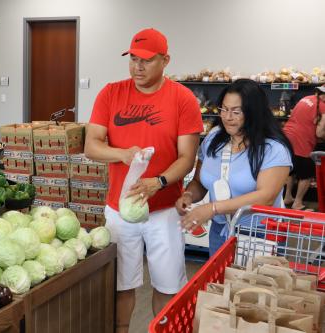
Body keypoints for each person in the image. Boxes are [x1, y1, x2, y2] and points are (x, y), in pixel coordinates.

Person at [84, 28, 203, 333]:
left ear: (166, 60)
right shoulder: (111, 93)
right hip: (120, 209)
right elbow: (91, 145)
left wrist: (158, 182)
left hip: (163, 210)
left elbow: (186, 158)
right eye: (133, 59)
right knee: (121, 284)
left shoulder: (183, 98)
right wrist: (122, 154)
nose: (137, 66)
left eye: (146, 61)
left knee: (167, 284)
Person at [176, 79, 293, 256]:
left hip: (260, 234)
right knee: (221, 282)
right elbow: (200, 181)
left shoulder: (273, 149)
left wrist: (213, 208)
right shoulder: (214, 139)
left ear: (254, 112)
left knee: (254, 283)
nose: (227, 117)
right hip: (220, 230)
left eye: (236, 111)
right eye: (224, 109)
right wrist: (188, 195)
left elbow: (265, 197)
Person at [283, 84, 325, 211]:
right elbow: (319, 133)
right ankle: (298, 203)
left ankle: (287, 197)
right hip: (301, 141)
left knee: (292, 170)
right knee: (306, 174)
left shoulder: (306, 98)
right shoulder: (323, 107)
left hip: (286, 137)